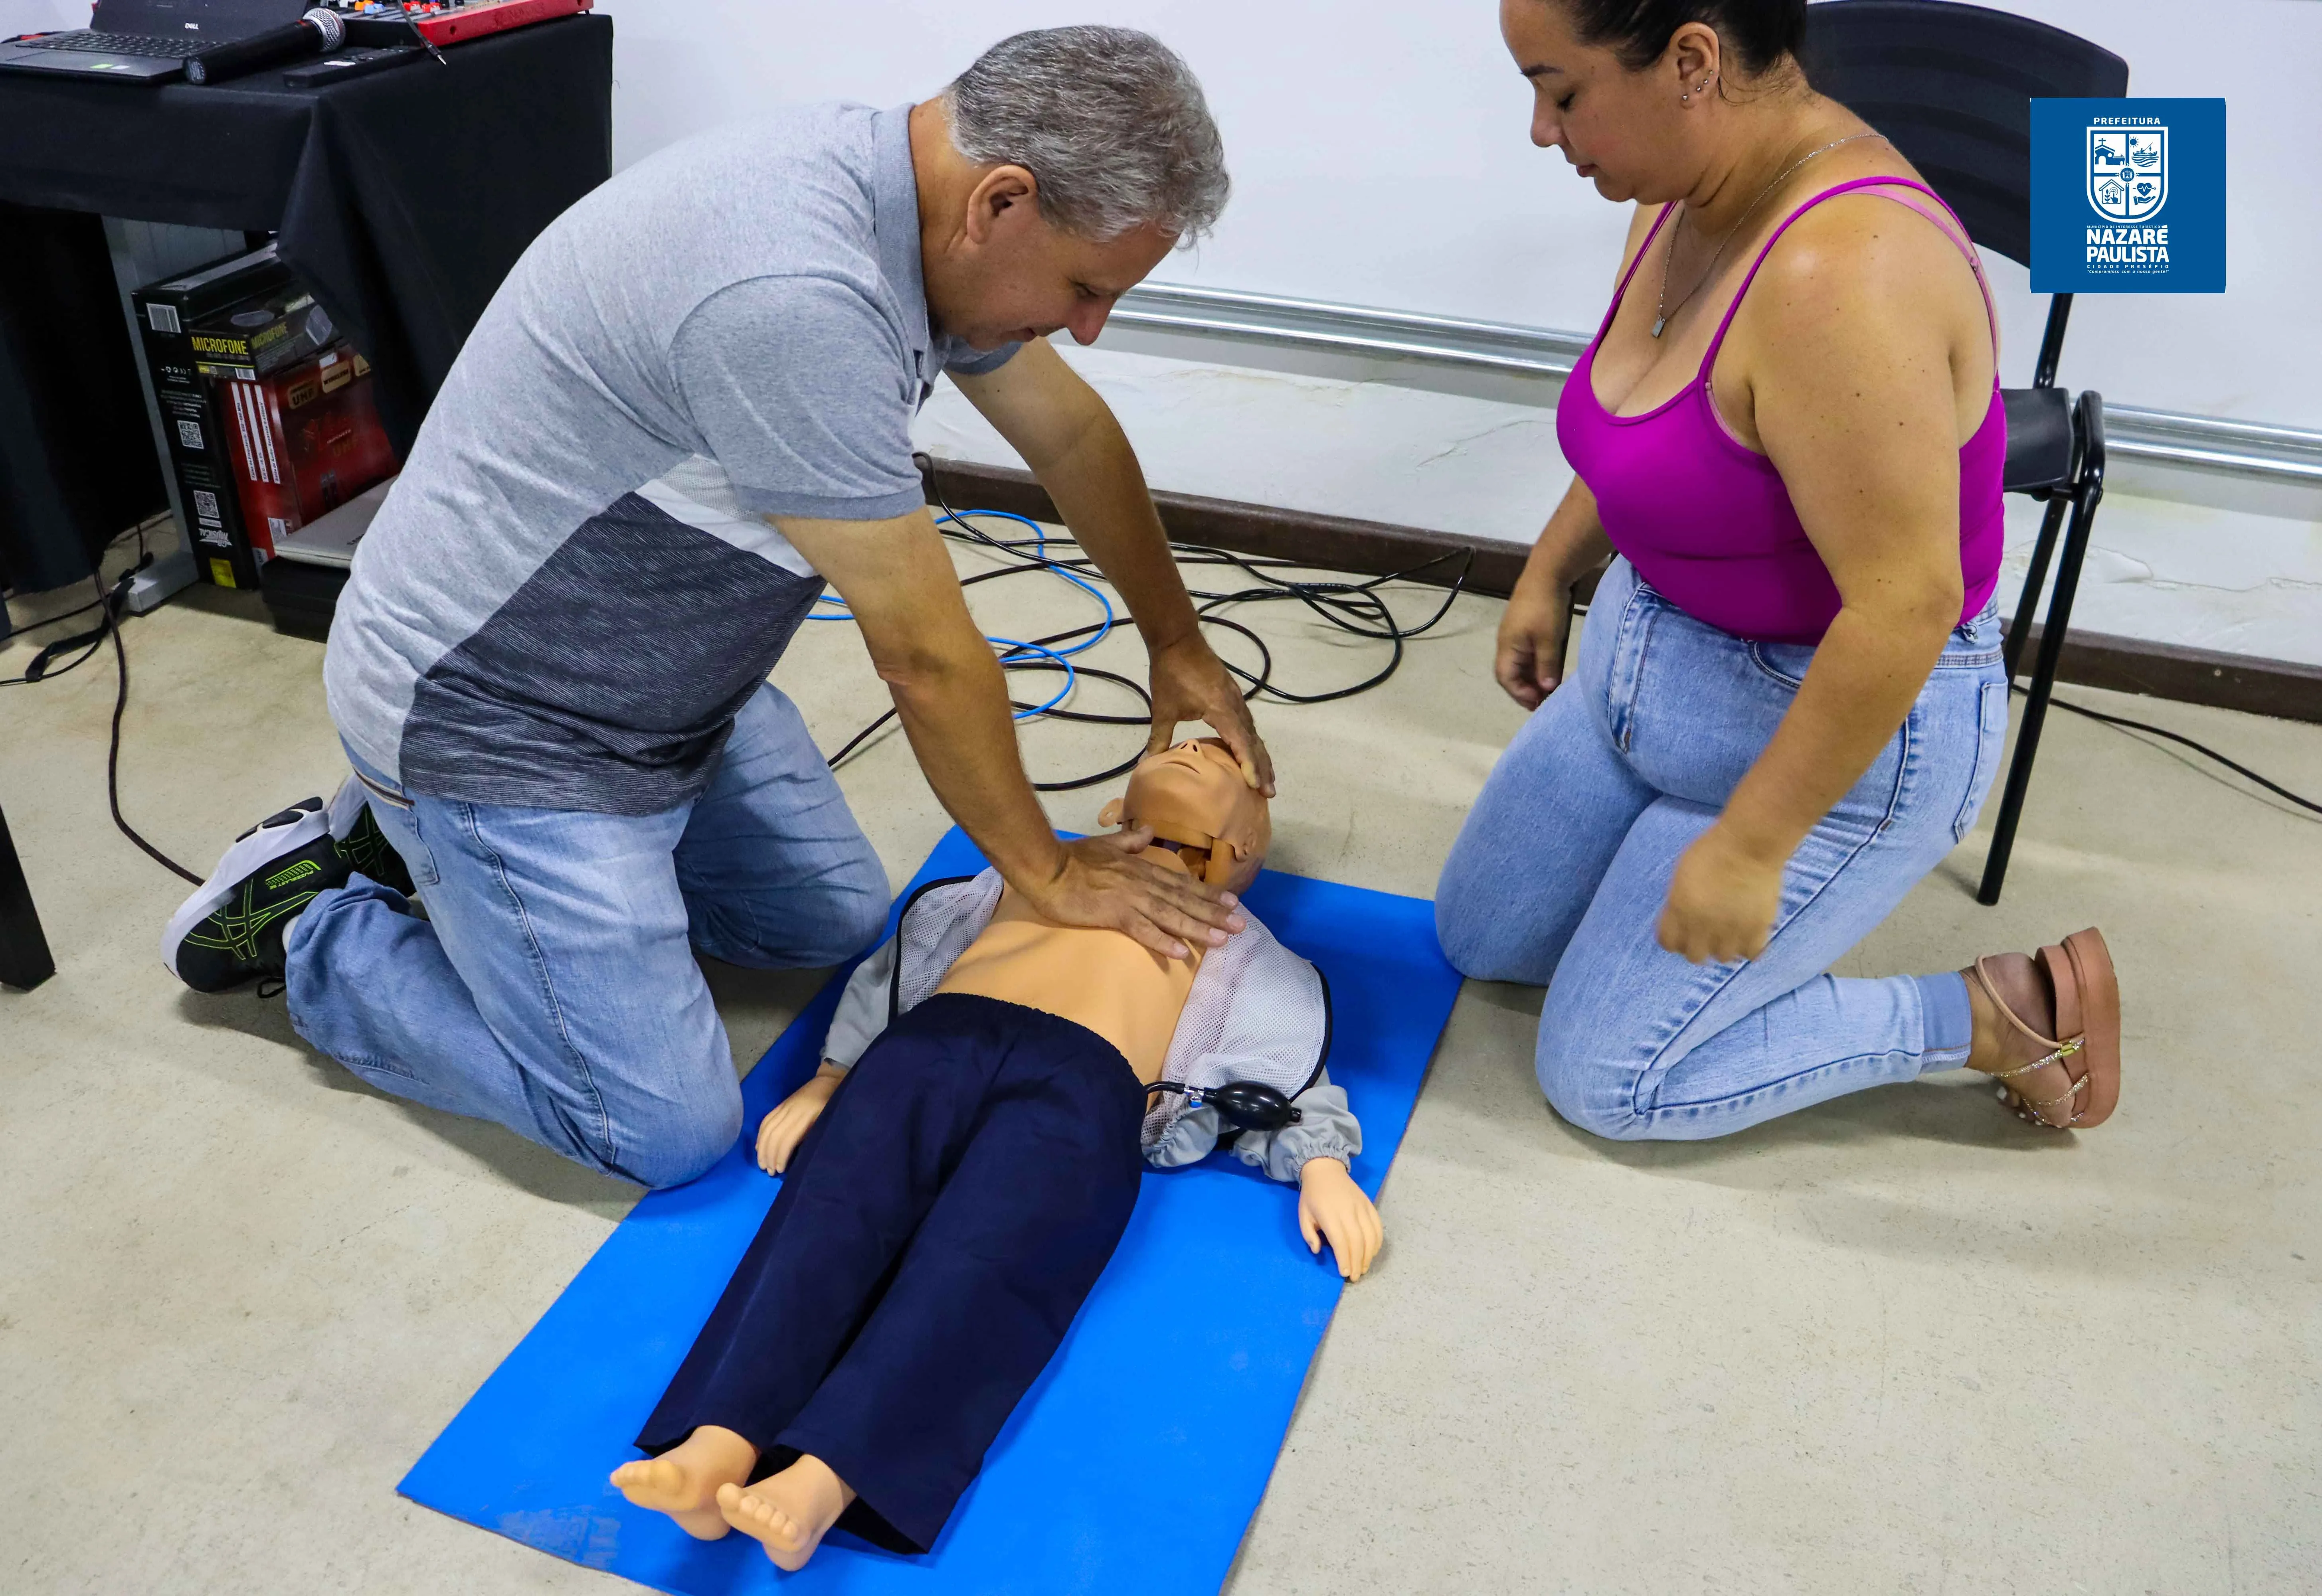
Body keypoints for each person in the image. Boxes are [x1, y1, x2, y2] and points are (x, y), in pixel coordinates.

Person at [160, 27, 1278, 1188]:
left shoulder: (914, 198)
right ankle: (319, 937)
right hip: (498, 724)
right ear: (1001, 201)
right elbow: (928, 662)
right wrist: (1049, 874)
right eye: (1085, 291)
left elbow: (1072, 433)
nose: (1087, 327)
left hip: (674, 693)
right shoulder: (790, 288)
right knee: (658, 1131)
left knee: (833, 928)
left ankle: (417, 852)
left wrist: (1177, 647)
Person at [1434, 0, 2121, 1140]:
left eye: (1562, 93)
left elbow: (1909, 602)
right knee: (1481, 941)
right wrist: (1551, 570)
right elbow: (1641, 424)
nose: (1544, 133)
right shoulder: (1677, 187)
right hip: (1644, 660)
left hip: (1832, 725)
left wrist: (1751, 845)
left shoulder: (1838, 278)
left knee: (1609, 1083)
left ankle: (1997, 1015)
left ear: (1692, 61)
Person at [607, 739, 1380, 1570]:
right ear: (1116, 809)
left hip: (1084, 1085)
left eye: (1222, 757)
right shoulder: (1025, 869)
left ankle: (829, 1473)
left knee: (984, 1258)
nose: (1194, 740)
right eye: (1176, 739)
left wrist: (1320, 1163)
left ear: (1242, 851)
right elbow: (904, 963)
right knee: (828, 1214)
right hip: (932, 1045)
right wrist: (831, 1075)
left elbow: (1281, 1058)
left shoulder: (1234, 936)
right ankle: (719, 1439)